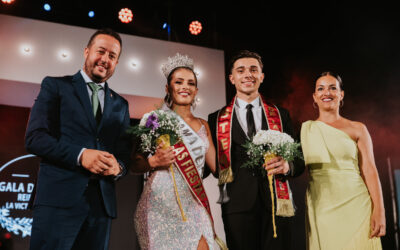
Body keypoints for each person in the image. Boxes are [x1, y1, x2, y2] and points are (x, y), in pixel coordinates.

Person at [25, 28, 131, 249]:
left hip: (101, 208)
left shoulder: (121, 105)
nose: (105, 59)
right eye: (100, 51)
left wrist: (118, 168)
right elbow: (35, 138)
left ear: (117, 63)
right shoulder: (55, 86)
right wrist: (80, 155)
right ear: (86, 51)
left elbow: (124, 156)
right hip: (57, 201)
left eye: (112, 56)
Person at [206, 50, 305, 250]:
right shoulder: (215, 118)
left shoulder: (280, 114)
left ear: (262, 76)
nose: (248, 74)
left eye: (253, 70)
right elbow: (211, 165)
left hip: (277, 204)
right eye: (241, 70)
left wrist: (287, 166)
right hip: (237, 205)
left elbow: (299, 159)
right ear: (232, 78)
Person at [132, 53, 225, 250]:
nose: (185, 87)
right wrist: (153, 162)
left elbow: (218, 169)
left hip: (193, 200)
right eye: (179, 82)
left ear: (196, 90)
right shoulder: (155, 119)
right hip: (160, 203)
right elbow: (135, 162)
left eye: (191, 83)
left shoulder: (204, 125)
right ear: (168, 88)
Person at [301, 72, 385, 249]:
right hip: (321, 204)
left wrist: (379, 210)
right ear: (314, 97)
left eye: (333, 88)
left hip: (357, 203)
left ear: (341, 94)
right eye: (321, 89)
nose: (327, 93)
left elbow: (370, 170)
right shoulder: (306, 130)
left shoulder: (358, 128)